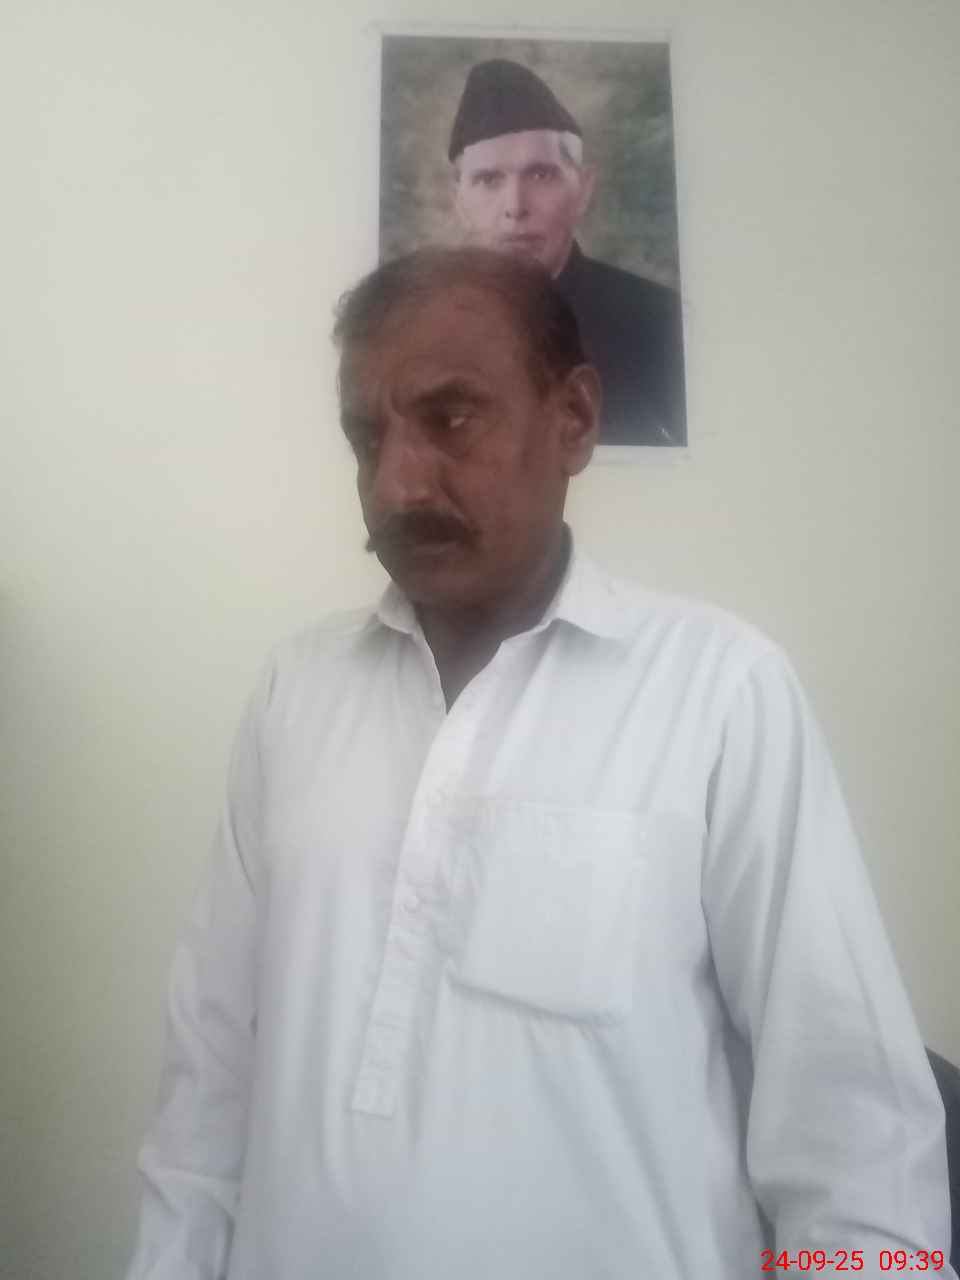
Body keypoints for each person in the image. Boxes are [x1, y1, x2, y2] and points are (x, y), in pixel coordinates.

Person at [126, 248, 953, 1280]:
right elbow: (206, 1089)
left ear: (574, 420)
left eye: (451, 417)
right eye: (367, 437)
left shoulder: (720, 693)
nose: (396, 482)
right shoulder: (298, 692)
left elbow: (858, 1149)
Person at [449, 57, 687, 446]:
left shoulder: (661, 325)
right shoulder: (419, 330)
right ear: (458, 201)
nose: (515, 207)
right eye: (489, 180)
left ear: (584, 190)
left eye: (540, 175)